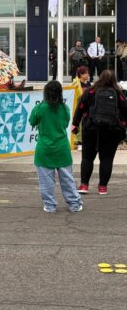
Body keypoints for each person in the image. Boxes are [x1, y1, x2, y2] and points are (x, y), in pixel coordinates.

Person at [29, 81, 83, 213]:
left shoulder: (40, 108)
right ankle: (74, 204)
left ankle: (50, 205)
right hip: (62, 148)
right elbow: (65, 124)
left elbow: (32, 121)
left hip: (44, 149)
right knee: (67, 179)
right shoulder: (65, 108)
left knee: (46, 181)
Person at [72, 70, 127, 195]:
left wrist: (75, 124)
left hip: (90, 129)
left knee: (87, 158)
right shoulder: (119, 94)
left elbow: (80, 108)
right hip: (111, 130)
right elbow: (125, 111)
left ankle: (84, 185)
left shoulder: (91, 91)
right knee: (107, 158)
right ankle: (102, 187)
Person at [71, 66, 91, 148]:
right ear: (80, 74)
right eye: (85, 73)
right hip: (79, 107)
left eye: (87, 73)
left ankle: (83, 139)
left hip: (87, 107)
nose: (87, 75)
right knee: (78, 123)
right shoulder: (75, 84)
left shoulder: (88, 84)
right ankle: (77, 140)